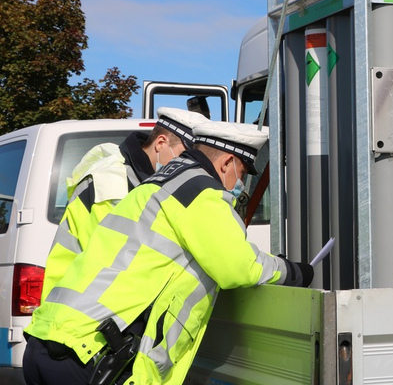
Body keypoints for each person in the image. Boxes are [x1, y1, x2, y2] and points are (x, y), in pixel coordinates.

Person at [23, 121, 312, 385]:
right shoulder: (201, 192)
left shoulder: (154, 184)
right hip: (93, 355)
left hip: (48, 340)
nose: (239, 184)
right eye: (243, 174)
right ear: (227, 163)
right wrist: (293, 271)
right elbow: (240, 266)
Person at [40, 107, 209, 302]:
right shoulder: (113, 183)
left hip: (85, 301)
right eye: (184, 157)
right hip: (76, 303)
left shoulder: (142, 180)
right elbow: (112, 260)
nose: (188, 167)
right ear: (161, 143)